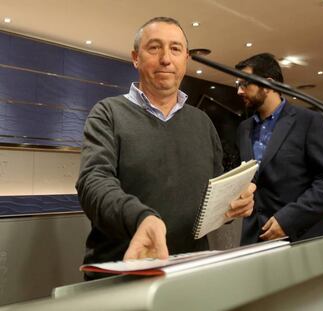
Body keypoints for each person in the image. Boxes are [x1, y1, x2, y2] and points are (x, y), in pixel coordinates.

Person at [76, 16, 255, 280]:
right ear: (136, 58)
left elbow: (211, 196)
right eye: (154, 48)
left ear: (186, 60)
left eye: (175, 48)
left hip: (189, 273)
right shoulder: (108, 113)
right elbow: (93, 183)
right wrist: (141, 218)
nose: (165, 59)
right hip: (123, 274)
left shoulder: (202, 122)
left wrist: (233, 204)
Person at [234, 53, 323, 245]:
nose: (239, 92)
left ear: (268, 85)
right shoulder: (244, 128)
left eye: (245, 84)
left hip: (300, 237)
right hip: (254, 240)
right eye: (238, 85)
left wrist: (289, 220)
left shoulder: (308, 121)